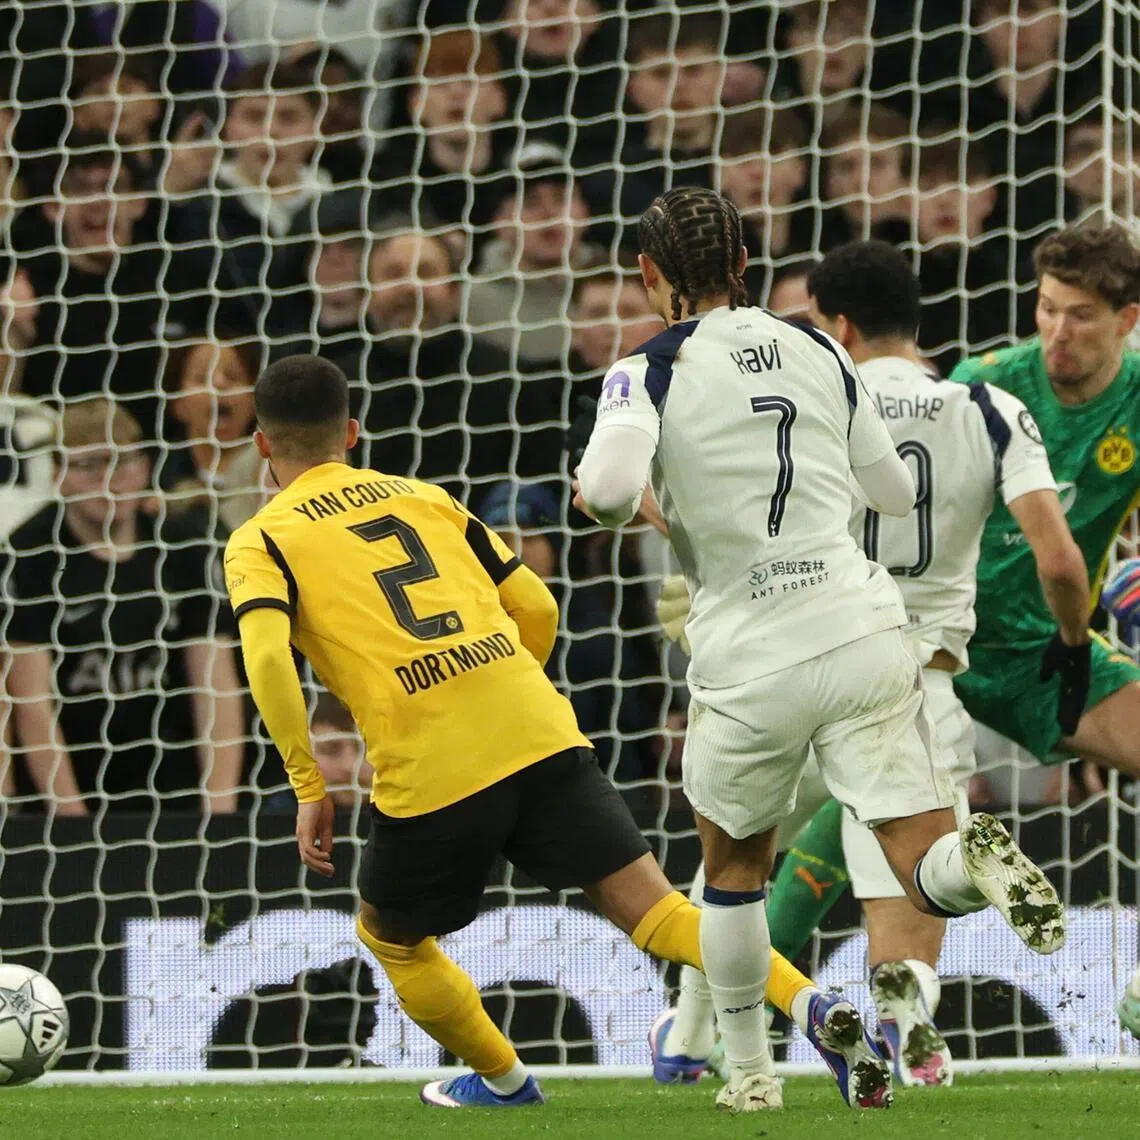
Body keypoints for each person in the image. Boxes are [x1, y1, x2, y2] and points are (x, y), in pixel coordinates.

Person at [223, 353, 862, 1110]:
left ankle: (505, 1082)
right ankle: (815, 1009)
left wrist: (307, 785)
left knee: (390, 938)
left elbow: (265, 659)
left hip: (432, 767)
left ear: (264, 444)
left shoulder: (260, 540)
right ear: (352, 432)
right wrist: (496, 686)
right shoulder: (429, 500)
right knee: (660, 914)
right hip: (538, 728)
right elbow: (540, 608)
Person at [573, 187, 1066, 1113]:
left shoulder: (650, 369)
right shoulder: (816, 349)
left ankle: (751, 1074)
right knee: (922, 861)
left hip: (749, 656)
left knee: (731, 878)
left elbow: (603, 491)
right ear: (748, 266)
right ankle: (976, 863)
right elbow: (884, 489)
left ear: (647, 277)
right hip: (864, 629)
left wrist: (641, 500)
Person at [806, 239, 1088, 1085]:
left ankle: (718, 1039)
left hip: (806, 664)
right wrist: (1073, 647)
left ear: (839, 325)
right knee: (924, 876)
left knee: (737, 867)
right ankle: (941, 932)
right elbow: (1061, 562)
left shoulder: (813, 404)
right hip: (918, 676)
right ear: (915, 318)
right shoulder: (990, 407)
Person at [949, 223, 1140, 787]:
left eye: (1079, 315)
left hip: (1048, 652)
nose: (1057, 331)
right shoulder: (983, 386)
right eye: (1047, 308)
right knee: (859, 818)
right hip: (936, 639)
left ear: (1126, 320)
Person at [2, 400, 245, 815]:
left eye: (123, 462)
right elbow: (32, 705)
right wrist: (70, 819)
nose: (110, 480)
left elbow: (215, 686)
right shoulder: (29, 556)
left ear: (146, 468)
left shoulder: (184, 545)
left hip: (168, 779)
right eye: (90, 466)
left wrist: (218, 809)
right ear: (58, 475)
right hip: (69, 782)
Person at [466, 141, 605, 370]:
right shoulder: (471, 302)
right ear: (500, 222)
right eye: (530, 202)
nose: (549, 213)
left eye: (561, 198)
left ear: (584, 212)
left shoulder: (619, 288)